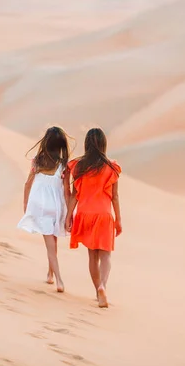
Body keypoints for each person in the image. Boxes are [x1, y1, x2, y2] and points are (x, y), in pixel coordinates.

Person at [65, 128, 122, 308]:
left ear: (87, 144)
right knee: (105, 255)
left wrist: (68, 216)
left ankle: (97, 290)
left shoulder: (79, 166)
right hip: (104, 215)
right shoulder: (112, 167)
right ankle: (103, 286)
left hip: (85, 214)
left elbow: (75, 194)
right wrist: (118, 219)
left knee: (92, 256)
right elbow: (114, 196)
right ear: (104, 144)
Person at [18, 126, 71, 293]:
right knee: (52, 241)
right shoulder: (63, 165)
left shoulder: (37, 161)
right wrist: (69, 212)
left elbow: (28, 184)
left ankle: (58, 279)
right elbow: (66, 190)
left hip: (40, 206)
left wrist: (26, 205)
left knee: (50, 243)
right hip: (56, 206)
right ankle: (51, 274)